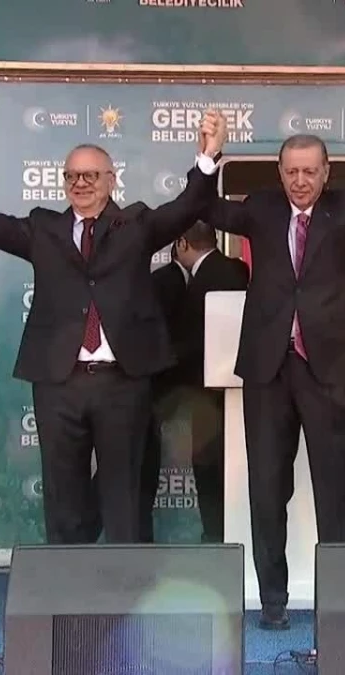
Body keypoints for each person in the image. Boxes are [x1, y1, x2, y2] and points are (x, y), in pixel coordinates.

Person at [0, 112, 226, 545]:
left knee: (124, 493)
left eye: (91, 175)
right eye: (72, 176)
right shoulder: (44, 228)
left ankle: (125, 577)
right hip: (59, 383)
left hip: (122, 383)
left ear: (111, 180)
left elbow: (188, 206)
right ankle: (66, 578)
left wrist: (208, 156)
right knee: (63, 495)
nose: (80, 183)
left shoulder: (136, 225)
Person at [200, 127, 345, 630]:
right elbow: (204, 208)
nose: (300, 181)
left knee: (337, 492)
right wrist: (208, 158)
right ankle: (273, 600)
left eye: (309, 171)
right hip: (268, 369)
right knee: (267, 488)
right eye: (291, 171)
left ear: (326, 172)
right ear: (279, 173)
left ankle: (341, 603)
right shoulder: (261, 208)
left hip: (330, 368)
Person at [140, 222, 250, 543]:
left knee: (210, 471)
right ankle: (219, 536)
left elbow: (198, 339)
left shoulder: (214, 277)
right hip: (218, 394)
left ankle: (217, 539)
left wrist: (156, 363)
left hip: (212, 396)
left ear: (182, 243)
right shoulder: (232, 270)